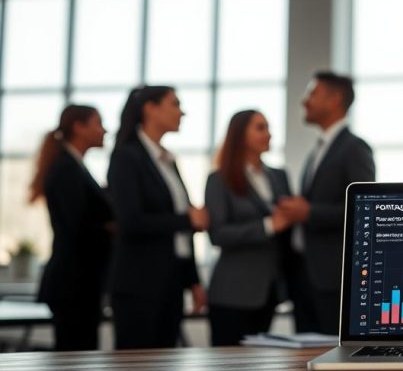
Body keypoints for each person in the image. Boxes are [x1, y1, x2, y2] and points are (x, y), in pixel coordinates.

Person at [107, 86, 209, 349]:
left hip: (170, 283)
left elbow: (181, 238)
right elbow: (131, 222)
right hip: (139, 285)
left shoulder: (167, 160)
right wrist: (187, 219)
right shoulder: (126, 157)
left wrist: (194, 281)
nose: (181, 112)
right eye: (174, 104)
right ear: (150, 109)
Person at [276, 71, 375, 335]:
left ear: (334, 100)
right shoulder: (318, 150)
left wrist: (309, 212)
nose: (304, 101)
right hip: (305, 274)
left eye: (312, 93)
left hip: (333, 278)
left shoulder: (354, 148)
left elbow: (366, 209)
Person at [205, 110, 296, 346]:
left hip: (269, 290)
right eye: (260, 128)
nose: (268, 134)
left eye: (268, 128)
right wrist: (267, 225)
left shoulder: (279, 176)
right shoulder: (219, 179)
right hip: (233, 291)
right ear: (239, 134)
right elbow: (218, 234)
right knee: (229, 367)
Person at [31, 104, 113, 351]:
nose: (104, 130)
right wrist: (112, 228)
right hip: (73, 282)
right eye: (97, 123)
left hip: (79, 280)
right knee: (74, 355)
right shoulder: (67, 168)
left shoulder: (74, 165)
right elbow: (76, 225)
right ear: (79, 127)